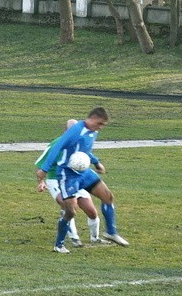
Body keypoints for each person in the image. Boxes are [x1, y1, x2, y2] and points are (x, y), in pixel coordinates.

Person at [36, 107, 128, 253]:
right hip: (67, 174)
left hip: (84, 172)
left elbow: (85, 151)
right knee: (70, 211)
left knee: (108, 196)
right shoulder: (76, 130)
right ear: (91, 119)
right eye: (99, 123)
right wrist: (44, 169)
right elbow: (58, 146)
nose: (101, 127)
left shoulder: (93, 131)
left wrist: (96, 162)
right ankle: (59, 245)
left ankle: (111, 232)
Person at [35, 118, 103, 248]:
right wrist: (41, 181)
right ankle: (74, 238)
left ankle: (95, 238)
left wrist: (96, 163)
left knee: (91, 211)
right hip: (55, 179)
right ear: (66, 131)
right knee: (68, 207)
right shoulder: (56, 145)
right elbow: (40, 165)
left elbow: (87, 155)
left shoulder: (80, 142)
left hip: (76, 178)